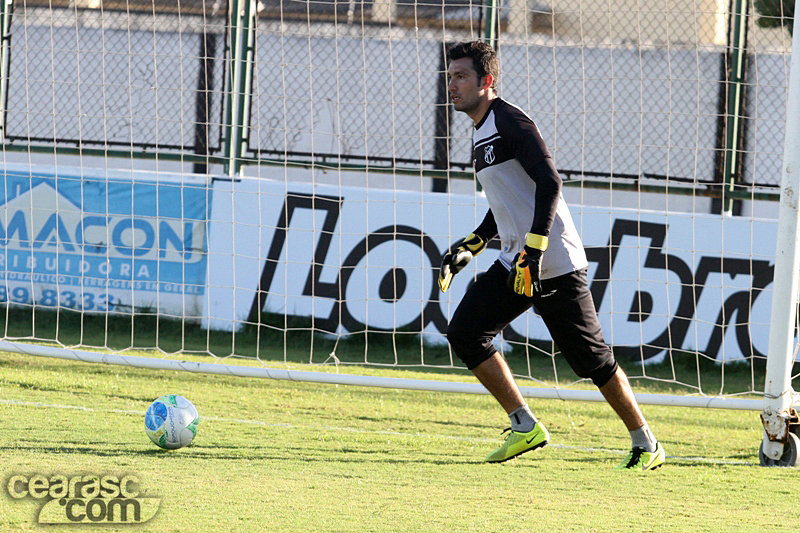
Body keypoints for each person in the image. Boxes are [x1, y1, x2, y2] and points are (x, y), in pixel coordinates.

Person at [438, 41, 665, 470]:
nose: (452, 84)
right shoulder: (480, 129)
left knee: (592, 361)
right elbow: (508, 200)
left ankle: (647, 443)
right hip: (516, 262)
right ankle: (525, 426)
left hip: (553, 262)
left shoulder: (510, 120)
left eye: (461, 76)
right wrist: (472, 244)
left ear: (487, 81)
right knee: (466, 332)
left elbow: (550, 181)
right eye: (449, 77)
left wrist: (535, 247)